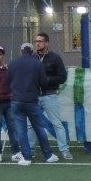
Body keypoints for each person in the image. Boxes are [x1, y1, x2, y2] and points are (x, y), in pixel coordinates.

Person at [7, 43, 58, 165]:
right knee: (39, 128)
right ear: (32, 51)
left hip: (16, 100)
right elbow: (44, 82)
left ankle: (27, 157)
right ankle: (48, 155)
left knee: (21, 130)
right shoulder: (37, 63)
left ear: (21, 51)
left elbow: (7, 80)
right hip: (32, 100)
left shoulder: (12, 63)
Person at [31, 32, 73, 160]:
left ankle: (64, 150)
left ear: (47, 43)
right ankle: (30, 150)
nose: (37, 43)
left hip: (49, 95)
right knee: (31, 124)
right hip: (34, 96)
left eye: (40, 41)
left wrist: (46, 80)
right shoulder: (32, 58)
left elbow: (63, 77)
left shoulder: (55, 58)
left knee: (57, 123)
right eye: (36, 41)